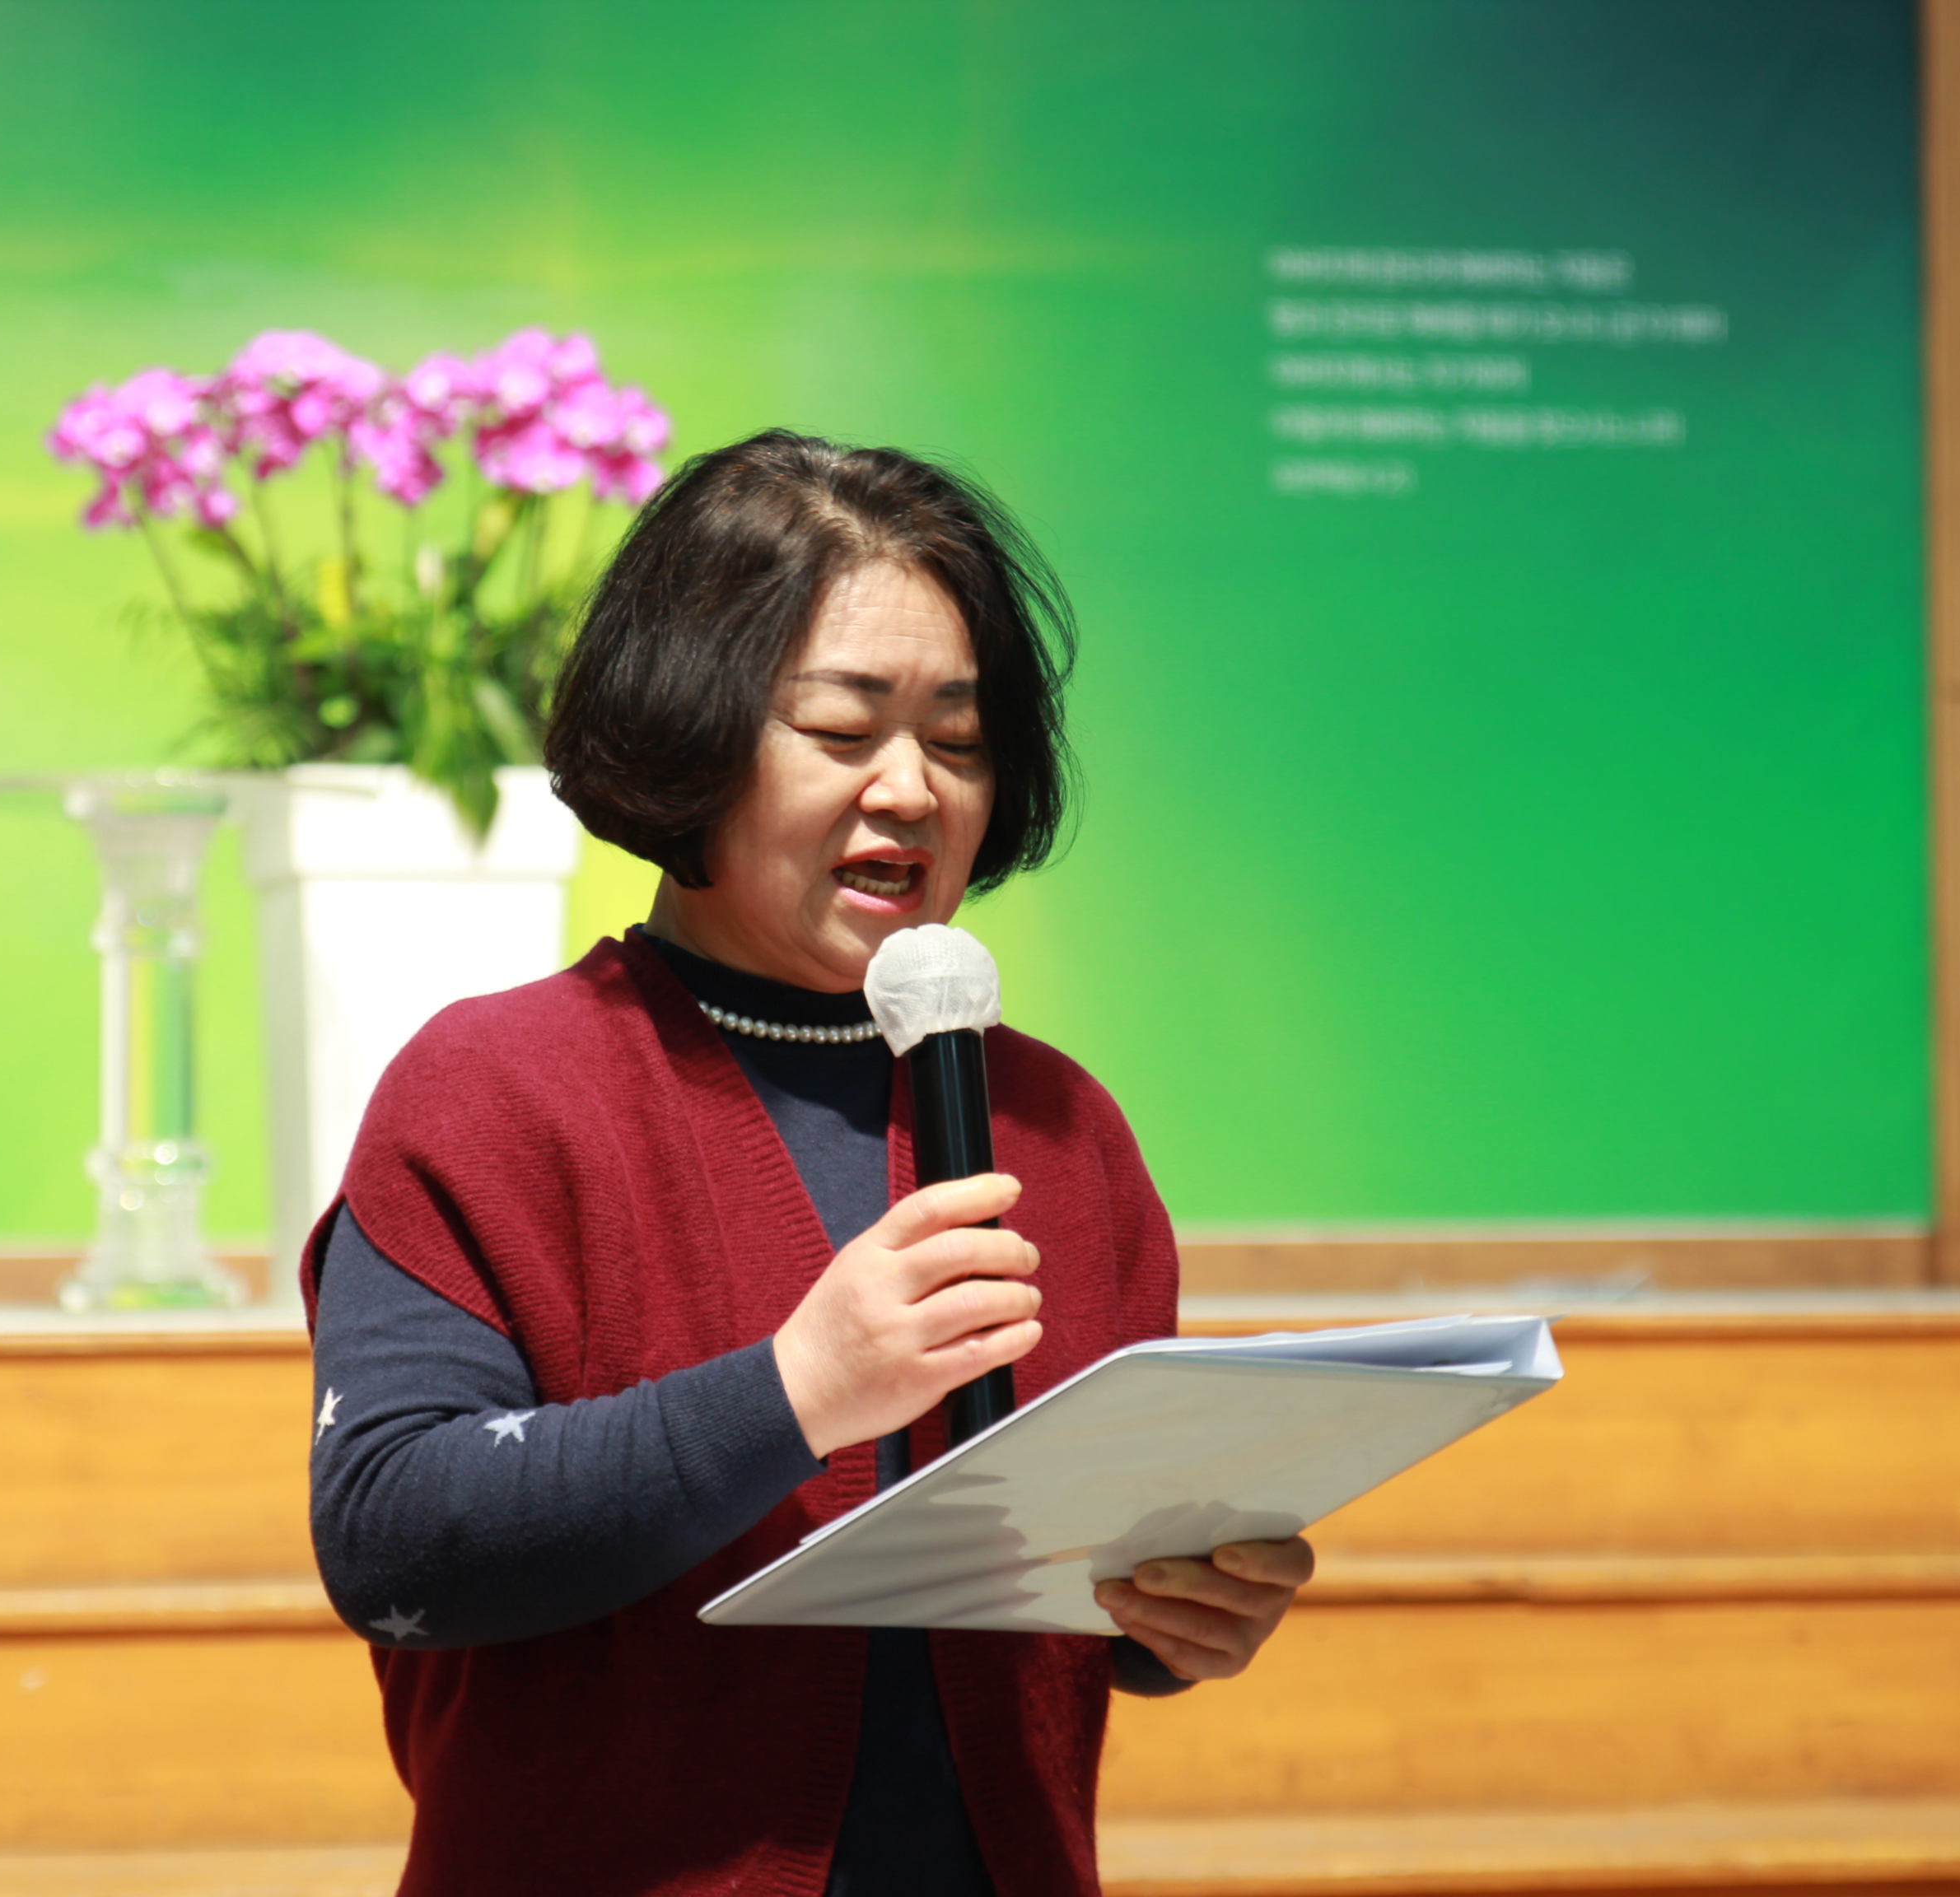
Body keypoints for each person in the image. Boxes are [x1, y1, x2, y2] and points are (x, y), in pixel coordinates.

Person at [304, 430, 1313, 1897]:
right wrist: (799, 1389)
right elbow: (394, 1539)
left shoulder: (1062, 1126)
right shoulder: (496, 1086)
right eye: (844, 730)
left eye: (958, 741)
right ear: (691, 733)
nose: (912, 789)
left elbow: (1057, 1601)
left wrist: (1175, 1613)